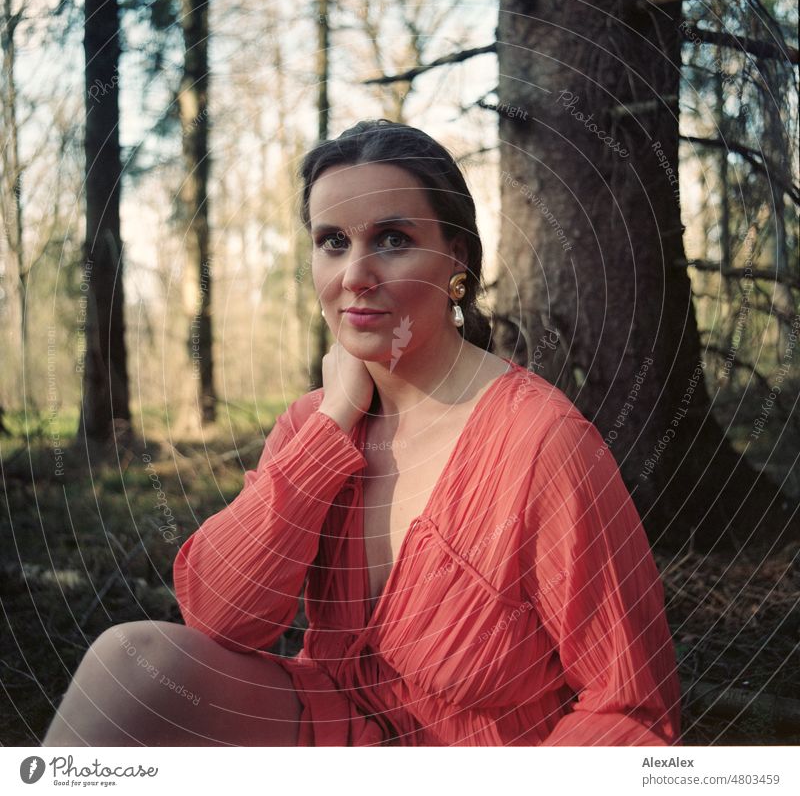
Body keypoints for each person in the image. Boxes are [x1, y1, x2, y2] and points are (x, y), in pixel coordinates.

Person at [43, 119, 682, 747]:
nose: (355, 274)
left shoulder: (544, 443)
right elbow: (221, 617)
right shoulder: (314, 422)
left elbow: (630, 707)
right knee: (130, 663)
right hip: (333, 731)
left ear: (455, 256)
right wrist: (331, 426)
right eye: (333, 242)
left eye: (393, 239)